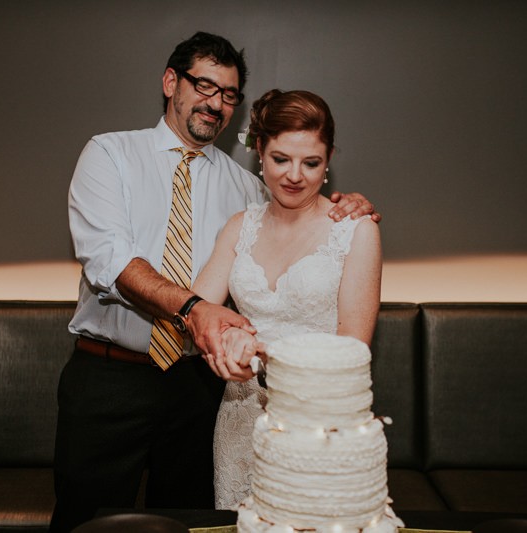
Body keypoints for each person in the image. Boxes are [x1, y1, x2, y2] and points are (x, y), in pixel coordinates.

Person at [51, 32, 379, 532]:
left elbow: (298, 202)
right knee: (86, 520)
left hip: (199, 386)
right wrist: (192, 310)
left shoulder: (249, 191)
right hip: (109, 379)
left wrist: (347, 204)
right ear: (170, 82)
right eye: (204, 85)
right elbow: (110, 259)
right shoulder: (110, 154)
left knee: (187, 522)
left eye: (229, 94)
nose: (215, 102)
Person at [190, 89, 382, 510]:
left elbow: (353, 349)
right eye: (281, 159)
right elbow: (198, 313)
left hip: (317, 426)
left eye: (311, 162)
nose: (295, 175)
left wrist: (259, 352)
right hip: (241, 423)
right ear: (259, 150)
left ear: (329, 159)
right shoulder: (239, 226)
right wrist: (222, 346)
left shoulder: (356, 230)